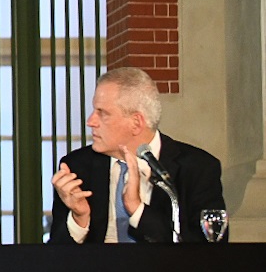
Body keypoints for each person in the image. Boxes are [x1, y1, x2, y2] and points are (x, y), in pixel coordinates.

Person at [49, 66, 226, 243]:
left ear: (136, 123)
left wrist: (137, 210)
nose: (90, 121)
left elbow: (208, 251)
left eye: (102, 113)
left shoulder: (197, 168)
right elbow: (52, 257)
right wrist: (80, 218)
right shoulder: (77, 167)